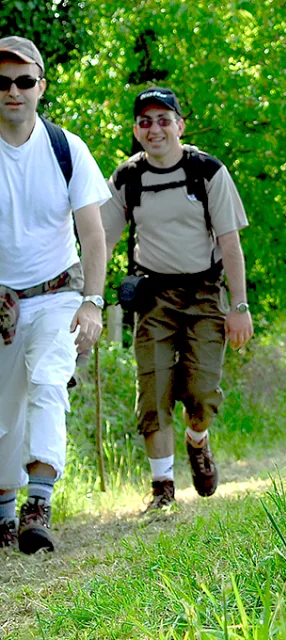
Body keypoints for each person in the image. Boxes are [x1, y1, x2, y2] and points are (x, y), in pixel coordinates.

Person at [101, 87, 253, 513]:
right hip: (153, 296)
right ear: (136, 130)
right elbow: (102, 239)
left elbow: (230, 242)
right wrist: (86, 294)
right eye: (145, 122)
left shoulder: (207, 171)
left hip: (205, 293)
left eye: (164, 120)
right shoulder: (128, 178)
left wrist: (239, 307)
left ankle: (198, 440)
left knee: (202, 393)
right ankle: (162, 488)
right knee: (153, 389)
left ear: (180, 126)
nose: (155, 129)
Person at [0, 36, 110, 553]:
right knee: (4, 412)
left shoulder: (67, 148)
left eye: (24, 81)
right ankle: (4, 511)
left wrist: (93, 301)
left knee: (47, 381)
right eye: (3, 82)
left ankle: (37, 502)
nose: (13, 91)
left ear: (41, 86)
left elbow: (93, 234)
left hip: (57, 294)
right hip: (1, 302)